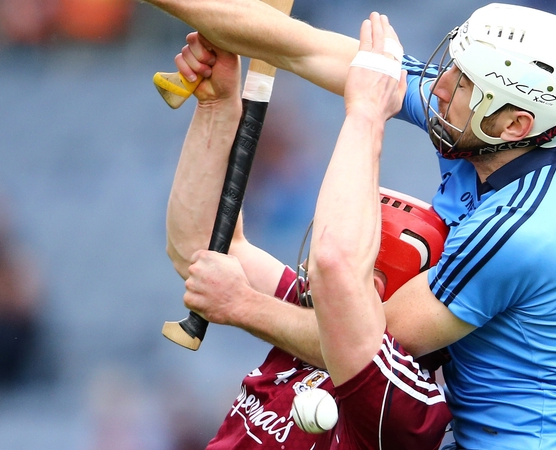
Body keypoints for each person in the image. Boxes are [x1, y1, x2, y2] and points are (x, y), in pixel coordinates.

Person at [149, 1, 556, 448]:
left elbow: (361, 343)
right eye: (453, 67)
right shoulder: (494, 135)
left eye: (464, 83)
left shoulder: (525, 229)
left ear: (515, 125)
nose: (439, 86)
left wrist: (243, 305)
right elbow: (299, 46)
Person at [164, 13, 451, 449]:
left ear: (374, 285)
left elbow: (345, 328)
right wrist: (217, 107)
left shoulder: (408, 407)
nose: (312, 263)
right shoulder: (303, 314)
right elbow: (202, 249)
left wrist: (242, 304)